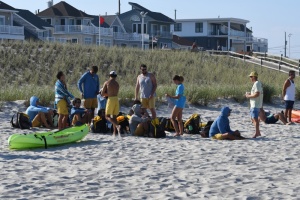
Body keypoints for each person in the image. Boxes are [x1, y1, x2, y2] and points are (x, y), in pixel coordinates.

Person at [101, 71, 121, 137]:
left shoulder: (107, 82)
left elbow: (102, 93)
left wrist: (106, 94)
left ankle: (117, 126)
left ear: (110, 75)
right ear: (115, 76)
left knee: (107, 116)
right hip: (116, 99)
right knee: (114, 117)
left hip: (111, 99)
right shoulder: (117, 84)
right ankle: (114, 133)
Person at [245, 71, 263, 138]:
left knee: (254, 119)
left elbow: (257, 94)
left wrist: (248, 96)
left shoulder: (257, 83)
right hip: (255, 104)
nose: (250, 78)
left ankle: (257, 132)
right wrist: (250, 94)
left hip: (255, 104)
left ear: (254, 77)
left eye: (251, 77)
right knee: (253, 119)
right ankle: (258, 132)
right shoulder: (257, 84)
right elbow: (257, 93)